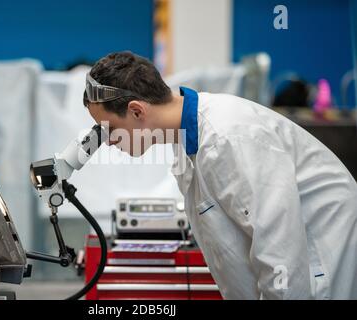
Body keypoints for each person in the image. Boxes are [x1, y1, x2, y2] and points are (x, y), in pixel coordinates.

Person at [83, 51, 357, 299]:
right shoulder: (187, 141)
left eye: (109, 128)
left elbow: (280, 252)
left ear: (136, 110)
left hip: (323, 261)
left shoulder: (229, 137)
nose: (108, 141)